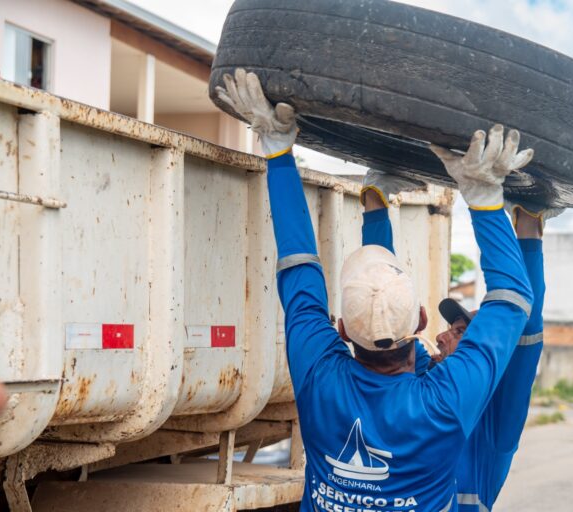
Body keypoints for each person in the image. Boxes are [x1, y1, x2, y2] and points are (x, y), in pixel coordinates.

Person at [217, 69, 535, 510]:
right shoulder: (432, 399)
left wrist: (483, 198)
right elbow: (299, 272)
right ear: (422, 320)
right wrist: (278, 148)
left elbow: (511, 298)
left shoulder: (336, 380)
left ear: (344, 330)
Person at [358, 177, 558, 511]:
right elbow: (387, 310)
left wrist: (529, 226)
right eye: (451, 328)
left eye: (460, 332)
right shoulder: (426, 388)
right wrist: (376, 199)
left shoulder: (494, 428)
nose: (440, 336)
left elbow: (527, 332)